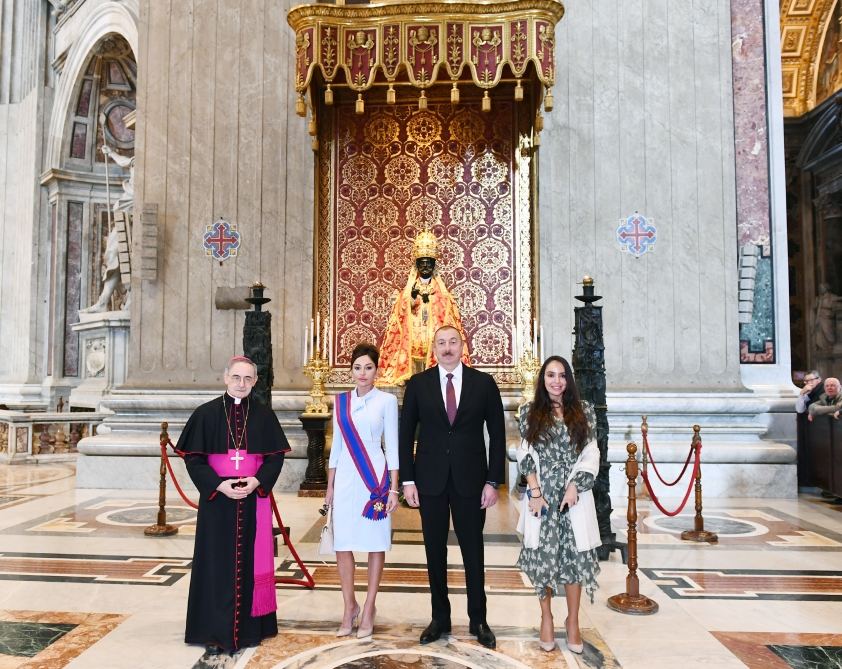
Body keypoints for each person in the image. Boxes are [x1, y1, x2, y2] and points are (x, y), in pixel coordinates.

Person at [399, 325, 506, 649]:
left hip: (471, 481)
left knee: (474, 552)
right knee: (434, 552)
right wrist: (408, 480)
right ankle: (439, 618)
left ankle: (479, 619)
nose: (447, 348)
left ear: (463, 346)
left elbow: (498, 434)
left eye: (453, 342)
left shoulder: (483, 384)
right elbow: (405, 435)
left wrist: (492, 481)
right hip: (429, 480)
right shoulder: (417, 385)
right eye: (441, 343)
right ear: (434, 348)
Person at [175, 355, 290, 655]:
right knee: (215, 563)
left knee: (251, 562)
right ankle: (212, 627)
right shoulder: (206, 414)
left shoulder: (264, 416)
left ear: (255, 381)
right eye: (236, 377)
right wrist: (217, 485)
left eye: (248, 379)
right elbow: (193, 458)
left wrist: (257, 481)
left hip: (253, 500)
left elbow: (276, 456)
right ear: (226, 377)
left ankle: (254, 627)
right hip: (217, 502)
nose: (241, 384)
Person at [515, 356, 601, 654]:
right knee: (544, 559)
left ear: (569, 380)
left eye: (562, 375)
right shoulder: (530, 411)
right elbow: (524, 453)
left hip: (573, 497)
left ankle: (573, 621)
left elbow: (591, 452)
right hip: (544, 499)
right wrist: (536, 491)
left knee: (574, 560)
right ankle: (547, 617)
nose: (556, 381)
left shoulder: (584, 411)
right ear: (543, 379)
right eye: (550, 375)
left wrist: (576, 485)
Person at [325, 343, 399, 639]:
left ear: (376, 370)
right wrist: (329, 486)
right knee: (343, 543)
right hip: (345, 478)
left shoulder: (387, 401)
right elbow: (337, 448)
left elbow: (392, 446)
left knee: (374, 542)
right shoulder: (340, 402)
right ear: (351, 370)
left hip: (375, 480)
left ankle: (369, 607)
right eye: (357, 368)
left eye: (368, 367)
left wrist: (394, 488)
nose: (363, 373)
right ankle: (349, 606)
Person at [379, 230, 469, 385]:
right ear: (417, 265)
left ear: (434, 265)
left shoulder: (443, 294)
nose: (425, 266)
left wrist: (432, 300)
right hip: (413, 338)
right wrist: (412, 300)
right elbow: (399, 314)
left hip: (432, 338)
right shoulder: (408, 291)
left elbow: (447, 315)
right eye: (422, 262)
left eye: (429, 262)